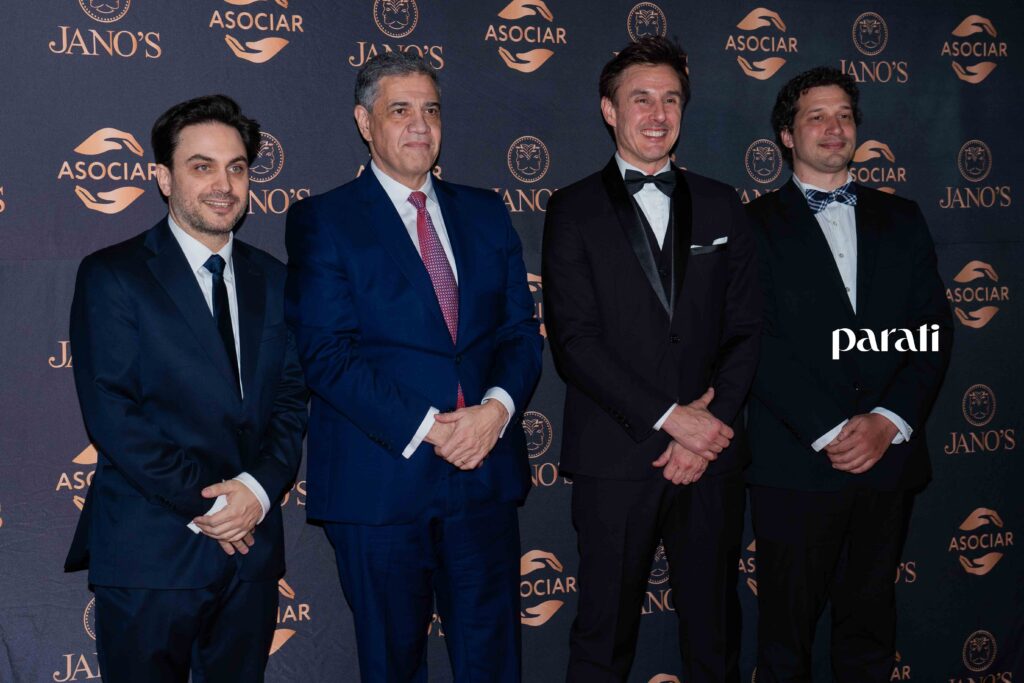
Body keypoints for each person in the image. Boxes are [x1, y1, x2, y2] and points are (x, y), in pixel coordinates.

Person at [284, 51, 542, 682]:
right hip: (382, 484)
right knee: (393, 666)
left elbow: (519, 333)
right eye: (400, 110)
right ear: (364, 122)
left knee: (494, 665)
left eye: (431, 110)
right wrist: (433, 428)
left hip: (483, 477)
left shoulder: (486, 211)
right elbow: (327, 355)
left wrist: (495, 412)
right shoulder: (324, 220)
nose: (420, 125)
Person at [64, 94, 307, 682]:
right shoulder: (113, 275)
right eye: (202, 166)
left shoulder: (276, 280)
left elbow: (290, 401)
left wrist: (255, 491)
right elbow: (113, 414)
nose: (223, 184)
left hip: (250, 554)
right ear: (164, 178)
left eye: (236, 167)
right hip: (151, 551)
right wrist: (214, 506)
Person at [542, 36, 761, 683]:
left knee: (715, 638)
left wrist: (707, 426)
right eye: (641, 99)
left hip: (711, 458)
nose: (658, 114)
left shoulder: (722, 203)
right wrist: (672, 418)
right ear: (610, 110)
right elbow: (575, 342)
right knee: (602, 640)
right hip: (616, 456)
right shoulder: (572, 209)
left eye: (670, 100)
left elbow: (747, 328)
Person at [745, 66, 953, 682]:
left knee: (870, 634)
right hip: (796, 465)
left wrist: (888, 420)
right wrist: (830, 428)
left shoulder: (903, 217)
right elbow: (755, 342)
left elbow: (931, 329)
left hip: (887, 464)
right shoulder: (751, 226)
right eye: (816, 116)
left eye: (844, 115)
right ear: (787, 135)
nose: (834, 128)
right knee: (785, 641)